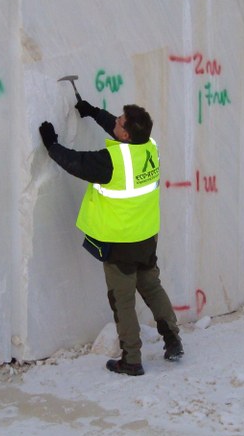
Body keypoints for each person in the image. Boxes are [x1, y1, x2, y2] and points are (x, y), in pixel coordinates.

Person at [38, 98, 183, 376]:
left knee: (123, 300)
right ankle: (173, 339)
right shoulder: (148, 148)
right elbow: (117, 133)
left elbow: (77, 163)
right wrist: (93, 113)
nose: (114, 121)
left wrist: (51, 145)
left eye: (118, 121)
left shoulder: (111, 163)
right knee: (152, 286)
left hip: (120, 243)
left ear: (126, 134)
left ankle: (131, 359)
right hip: (146, 236)